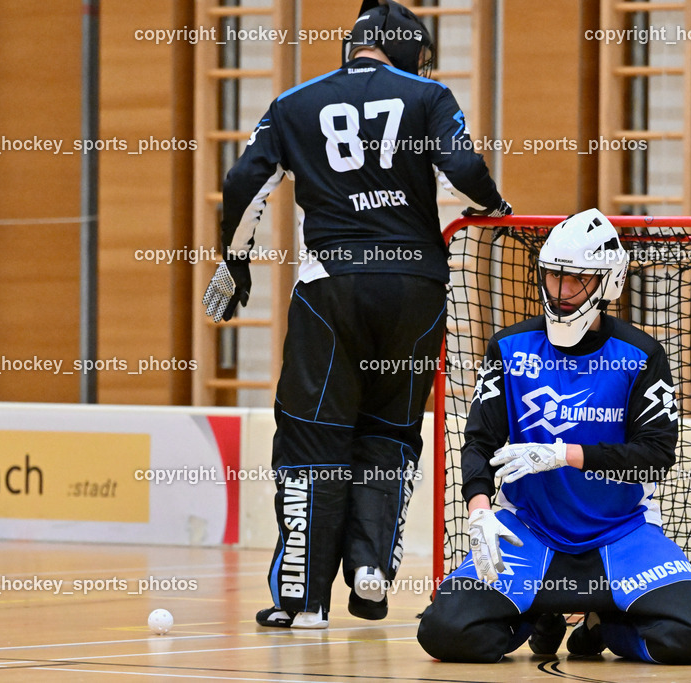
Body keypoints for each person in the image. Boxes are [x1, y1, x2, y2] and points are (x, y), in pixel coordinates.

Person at [202, 0, 510, 629]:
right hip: (416, 290)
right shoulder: (427, 97)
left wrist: (235, 262)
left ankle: (303, 599)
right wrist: (496, 207)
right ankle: (371, 570)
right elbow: (467, 171)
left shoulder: (294, 103)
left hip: (331, 288)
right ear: (401, 52)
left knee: (313, 435)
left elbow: (243, 183)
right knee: (389, 434)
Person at [416, 209, 691, 664]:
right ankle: (532, 619)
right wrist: (480, 510)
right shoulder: (508, 348)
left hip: (621, 535)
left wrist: (565, 454)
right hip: (529, 534)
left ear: (609, 282)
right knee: (444, 633)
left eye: (576, 280)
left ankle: (605, 626)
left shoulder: (641, 355)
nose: (561, 293)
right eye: (553, 277)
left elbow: (656, 455)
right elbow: (480, 443)